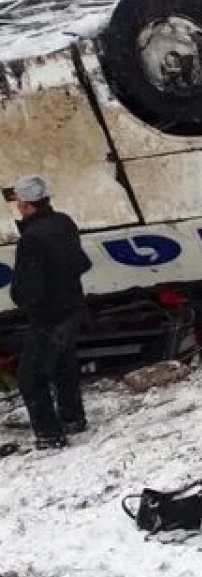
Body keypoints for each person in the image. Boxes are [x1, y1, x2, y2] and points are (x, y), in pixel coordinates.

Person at [10, 176, 91, 449]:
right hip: (72, 307)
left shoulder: (32, 239)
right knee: (63, 365)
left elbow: (30, 288)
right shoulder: (64, 222)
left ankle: (49, 434)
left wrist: (20, 297)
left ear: (25, 205)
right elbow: (82, 262)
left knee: (30, 378)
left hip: (48, 316)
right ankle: (72, 418)